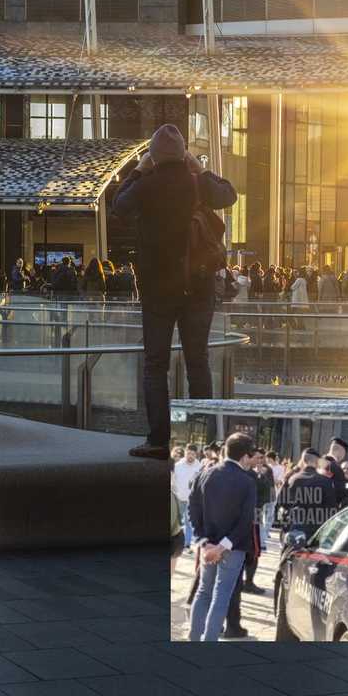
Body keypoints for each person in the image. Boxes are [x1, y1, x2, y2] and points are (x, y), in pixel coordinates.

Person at [111, 124, 237, 459]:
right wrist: (199, 167)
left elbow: (118, 207)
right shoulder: (197, 183)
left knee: (155, 365)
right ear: (183, 154)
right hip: (198, 288)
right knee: (198, 361)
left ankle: (158, 440)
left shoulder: (146, 185)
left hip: (157, 290)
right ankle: (201, 440)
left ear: (153, 155)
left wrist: (138, 171)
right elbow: (229, 194)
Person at [185, 433, 257, 642]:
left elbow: (192, 510)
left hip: (208, 545)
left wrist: (205, 543)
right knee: (220, 597)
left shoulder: (204, 474)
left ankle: (194, 638)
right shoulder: (247, 482)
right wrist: (221, 546)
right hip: (232, 548)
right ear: (244, 456)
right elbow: (245, 522)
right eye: (250, 455)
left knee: (203, 592)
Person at [276, 448, 337, 539]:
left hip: (293, 525)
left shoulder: (292, 479)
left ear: (303, 460)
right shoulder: (325, 482)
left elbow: (280, 502)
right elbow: (331, 507)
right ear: (318, 462)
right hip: (315, 529)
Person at [171, 446, 203, 550]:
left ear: (196, 454)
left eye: (192, 454)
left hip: (192, 500)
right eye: (188, 453)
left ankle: (187, 543)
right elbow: (173, 480)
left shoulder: (199, 466)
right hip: (179, 497)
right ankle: (175, 541)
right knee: (177, 522)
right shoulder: (178, 465)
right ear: (185, 453)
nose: (190, 456)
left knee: (190, 522)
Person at [322, 436, 348, 507]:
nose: (343, 457)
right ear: (340, 452)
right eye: (344, 453)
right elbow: (340, 494)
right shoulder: (336, 468)